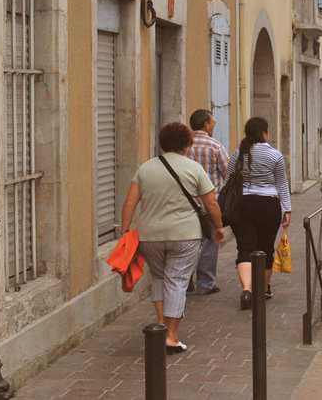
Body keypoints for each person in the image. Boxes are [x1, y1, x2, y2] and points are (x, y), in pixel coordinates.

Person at [120, 122, 224, 354]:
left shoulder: (145, 168)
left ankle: (162, 327)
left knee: (159, 278)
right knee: (177, 280)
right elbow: (211, 202)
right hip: (184, 235)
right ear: (187, 144)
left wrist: (126, 231)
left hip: (150, 236)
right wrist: (218, 226)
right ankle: (171, 336)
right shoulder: (194, 168)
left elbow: (130, 201)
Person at [227, 117, 291, 310]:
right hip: (268, 204)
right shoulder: (275, 155)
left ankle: (247, 290)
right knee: (265, 248)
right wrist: (287, 208)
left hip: (243, 204)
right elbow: (281, 184)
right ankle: (262, 291)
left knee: (244, 248)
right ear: (264, 133)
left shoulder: (238, 154)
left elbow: (228, 181)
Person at [187, 109, 231, 296]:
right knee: (209, 242)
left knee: (188, 243)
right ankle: (205, 284)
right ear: (205, 124)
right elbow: (227, 174)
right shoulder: (215, 146)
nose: (214, 125)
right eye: (212, 122)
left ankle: (185, 280)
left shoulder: (183, 146)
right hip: (209, 202)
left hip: (187, 203)